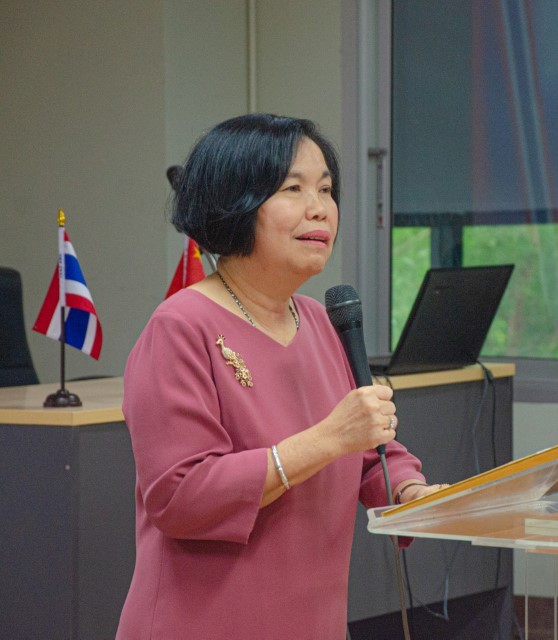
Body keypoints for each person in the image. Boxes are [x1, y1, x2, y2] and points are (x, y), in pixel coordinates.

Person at [116, 114, 444, 639]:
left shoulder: (321, 320)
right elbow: (180, 497)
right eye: (294, 189)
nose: (320, 208)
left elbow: (365, 451)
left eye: (326, 189)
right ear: (235, 202)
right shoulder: (180, 326)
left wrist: (409, 491)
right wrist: (327, 438)